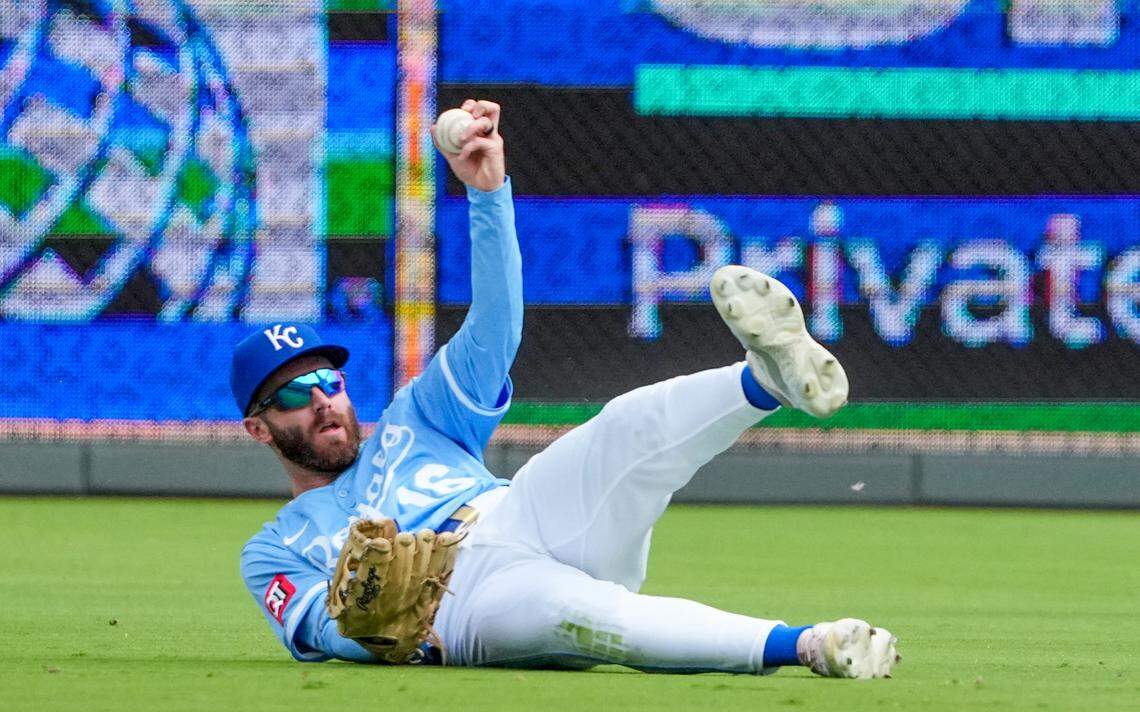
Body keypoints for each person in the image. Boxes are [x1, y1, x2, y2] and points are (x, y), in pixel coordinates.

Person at [235, 100, 899, 678]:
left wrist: (487, 196)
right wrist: (365, 629)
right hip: (464, 606)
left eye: (329, 380)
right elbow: (318, 632)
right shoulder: (274, 549)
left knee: (623, 430)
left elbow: (494, 325)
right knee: (577, 614)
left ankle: (764, 379)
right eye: (295, 393)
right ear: (259, 428)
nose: (322, 398)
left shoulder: (416, 418)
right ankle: (809, 645)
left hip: (518, 514)